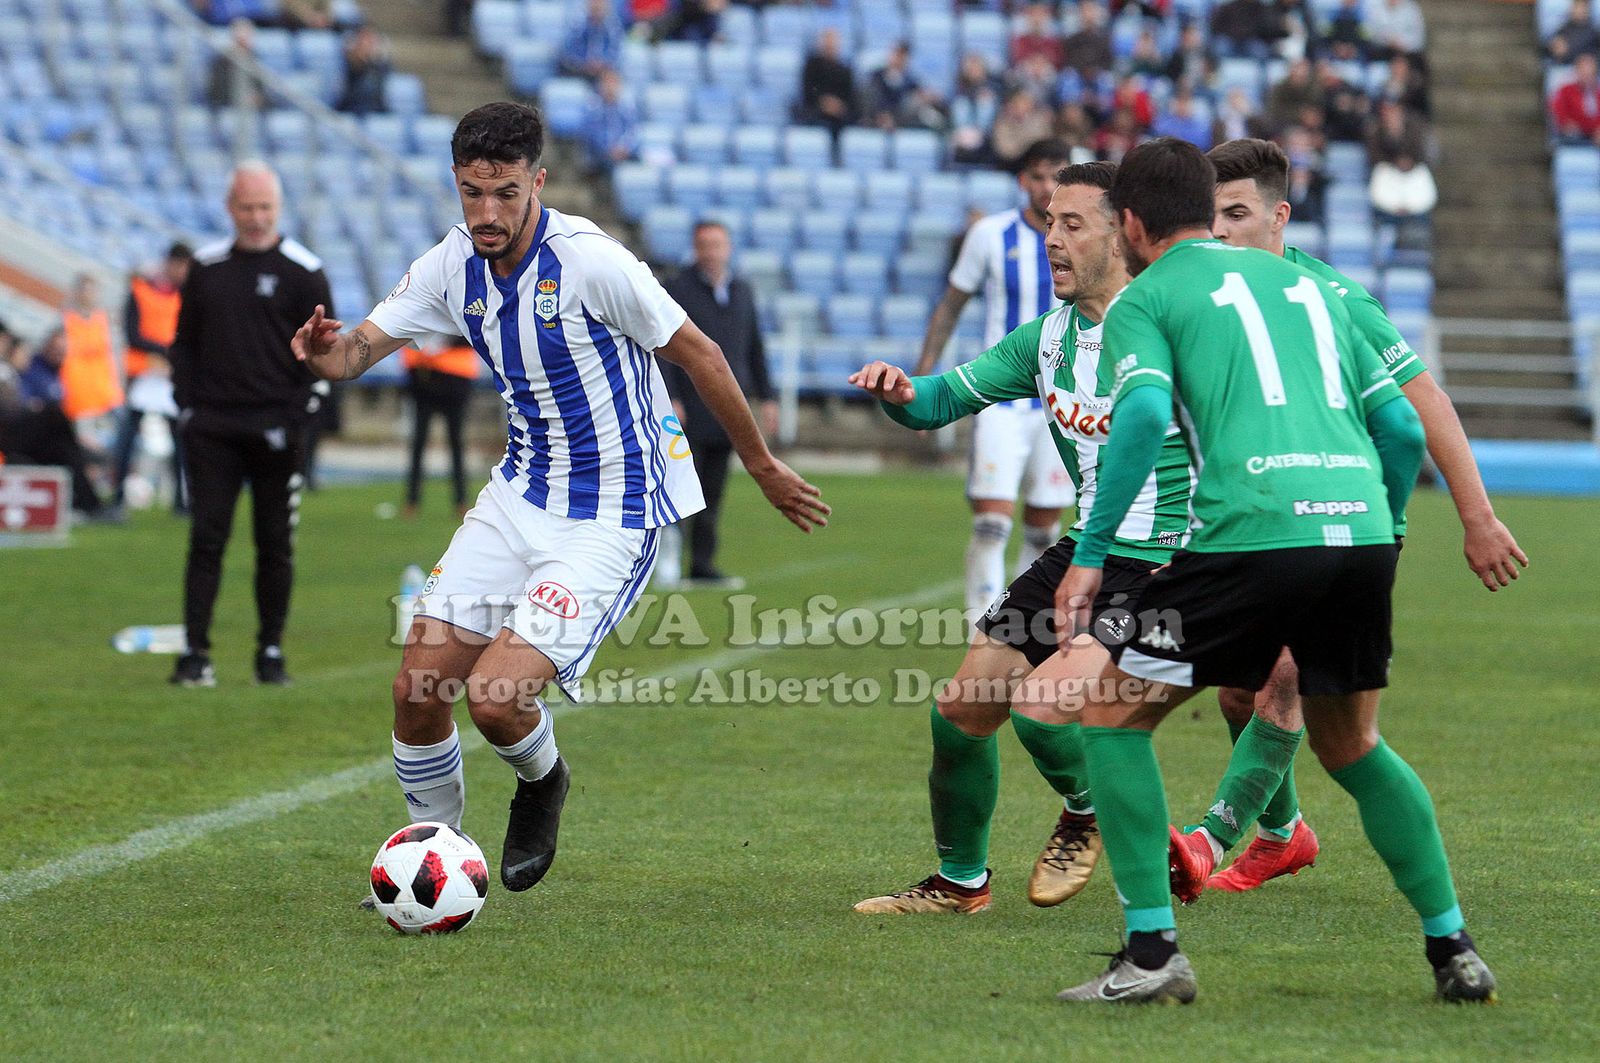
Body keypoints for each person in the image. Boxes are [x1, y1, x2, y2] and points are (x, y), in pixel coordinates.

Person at [290, 102, 827, 898]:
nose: (488, 212)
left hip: (613, 507)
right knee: (416, 690)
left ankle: (543, 779)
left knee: (496, 700)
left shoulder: (591, 261)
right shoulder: (451, 262)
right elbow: (358, 350)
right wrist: (323, 355)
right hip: (519, 494)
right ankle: (434, 855)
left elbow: (702, 352)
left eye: (506, 192)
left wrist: (761, 463)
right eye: (473, 193)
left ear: (537, 181)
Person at [1052, 136, 1495, 1004]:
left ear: (1133, 224)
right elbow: (1403, 429)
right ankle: (1453, 947)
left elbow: (1141, 418)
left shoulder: (1144, 300)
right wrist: (1381, 532)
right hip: (1362, 527)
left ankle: (1151, 956)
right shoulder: (1313, 286)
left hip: (1251, 529)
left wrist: (1093, 554)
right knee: (1352, 743)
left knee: (1106, 713)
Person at [1148, 138, 1523, 899]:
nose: (1219, 231)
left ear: (1280, 216)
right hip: (1254, 530)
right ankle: (1282, 834)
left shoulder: (1335, 298)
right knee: (1237, 692)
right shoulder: (1204, 296)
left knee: (1288, 683)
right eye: (1210, 215)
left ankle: (1207, 839)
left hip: (1341, 527)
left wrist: (1462, 518)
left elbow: (1422, 413)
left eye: (1238, 213)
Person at [849, 163, 1174, 914]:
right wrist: (903, 394)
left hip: (1170, 557)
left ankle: (1100, 813)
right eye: (1048, 223)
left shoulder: (1171, 322)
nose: (1051, 239)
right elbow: (942, 400)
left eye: (1071, 225)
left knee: (1041, 707)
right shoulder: (1048, 339)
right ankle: (961, 883)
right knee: (962, 709)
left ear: (1123, 232)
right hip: (1092, 545)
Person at [168, 161, 333, 688]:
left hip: (278, 430)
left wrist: (302, 410)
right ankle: (196, 655)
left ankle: (270, 652)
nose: (257, 218)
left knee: (275, 543)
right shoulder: (207, 267)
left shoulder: (304, 270)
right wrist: (186, 404)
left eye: (265, 207)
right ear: (229, 207)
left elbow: (323, 354)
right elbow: (183, 344)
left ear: (278, 208)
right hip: (213, 427)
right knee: (207, 540)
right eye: (247, 207)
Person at [913, 139, 1079, 618]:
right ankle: (979, 627)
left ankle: (1020, 623)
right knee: (990, 524)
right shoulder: (989, 234)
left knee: (1045, 531)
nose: (1047, 186)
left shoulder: (1086, 234)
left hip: (1064, 402)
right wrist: (926, 375)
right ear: (1023, 180)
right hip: (1001, 403)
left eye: (1057, 176)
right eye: (1039, 176)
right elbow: (950, 306)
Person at [658, 219, 776, 588]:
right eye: (704, 245)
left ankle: (703, 563)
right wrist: (671, 396)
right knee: (676, 486)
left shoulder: (741, 291)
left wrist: (767, 396)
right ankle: (664, 559)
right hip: (688, 408)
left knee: (713, 489)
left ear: (728, 248)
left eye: (717, 244)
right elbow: (660, 345)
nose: (711, 252)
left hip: (726, 408)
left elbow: (753, 346)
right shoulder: (676, 289)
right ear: (696, 249)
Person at [112, 242, 193, 514]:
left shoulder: (185, 294)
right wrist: (166, 351)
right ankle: (117, 498)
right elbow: (133, 334)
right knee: (127, 439)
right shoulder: (140, 289)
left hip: (170, 375)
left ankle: (181, 501)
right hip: (142, 373)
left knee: (180, 440)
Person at [1, 327, 111, 518]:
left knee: (65, 450)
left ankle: (89, 504)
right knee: (54, 415)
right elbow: (9, 411)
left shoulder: (16, 374)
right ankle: (83, 455)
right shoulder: (6, 373)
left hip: (24, 438)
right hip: (9, 437)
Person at [404, 338, 479, 518]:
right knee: (419, 443)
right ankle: (412, 501)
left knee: (456, 444)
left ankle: (461, 502)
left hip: (454, 381)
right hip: (424, 379)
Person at [58, 274, 123, 425]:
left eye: (92, 291)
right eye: (85, 290)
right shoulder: (65, 319)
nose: (88, 295)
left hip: (102, 395)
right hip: (73, 394)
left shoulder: (105, 321)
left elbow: (115, 358)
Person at [796, 27, 858, 140]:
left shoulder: (845, 70)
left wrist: (838, 106)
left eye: (833, 44)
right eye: (827, 43)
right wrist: (824, 102)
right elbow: (807, 91)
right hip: (815, 110)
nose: (830, 47)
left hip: (838, 115)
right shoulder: (811, 66)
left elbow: (850, 96)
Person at [581, 67, 638, 176]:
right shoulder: (593, 108)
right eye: (606, 83)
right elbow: (592, 134)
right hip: (601, 155)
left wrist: (624, 147)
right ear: (600, 85)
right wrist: (609, 149)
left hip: (625, 153)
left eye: (613, 83)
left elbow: (633, 131)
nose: (610, 87)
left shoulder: (626, 108)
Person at [559, 0, 624, 81]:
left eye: (600, 8)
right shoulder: (578, 28)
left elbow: (615, 50)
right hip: (581, 70)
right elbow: (571, 49)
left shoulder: (613, 28)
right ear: (587, 8)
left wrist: (602, 62)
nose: (597, 11)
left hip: (605, 70)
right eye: (594, 8)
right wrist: (586, 62)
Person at [336, 26, 391, 116]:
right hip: (351, 112)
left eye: (371, 41)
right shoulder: (346, 64)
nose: (366, 44)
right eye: (363, 40)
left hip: (375, 115)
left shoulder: (382, 66)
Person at [1551, 52, 1600, 145]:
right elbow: (1560, 115)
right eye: (1584, 74)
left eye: (1591, 74)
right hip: (1573, 136)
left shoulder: (1598, 92)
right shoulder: (1565, 91)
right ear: (1577, 72)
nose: (1587, 78)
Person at [1547, 0, 1599, 65]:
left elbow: (1580, 52)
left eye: (1581, 7)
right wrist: (1553, 46)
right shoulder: (1567, 25)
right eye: (1576, 7)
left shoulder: (1592, 31)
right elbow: (1550, 45)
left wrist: (1565, 49)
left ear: (1587, 10)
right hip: (1557, 63)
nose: (1577, 10)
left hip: (1576, 69)